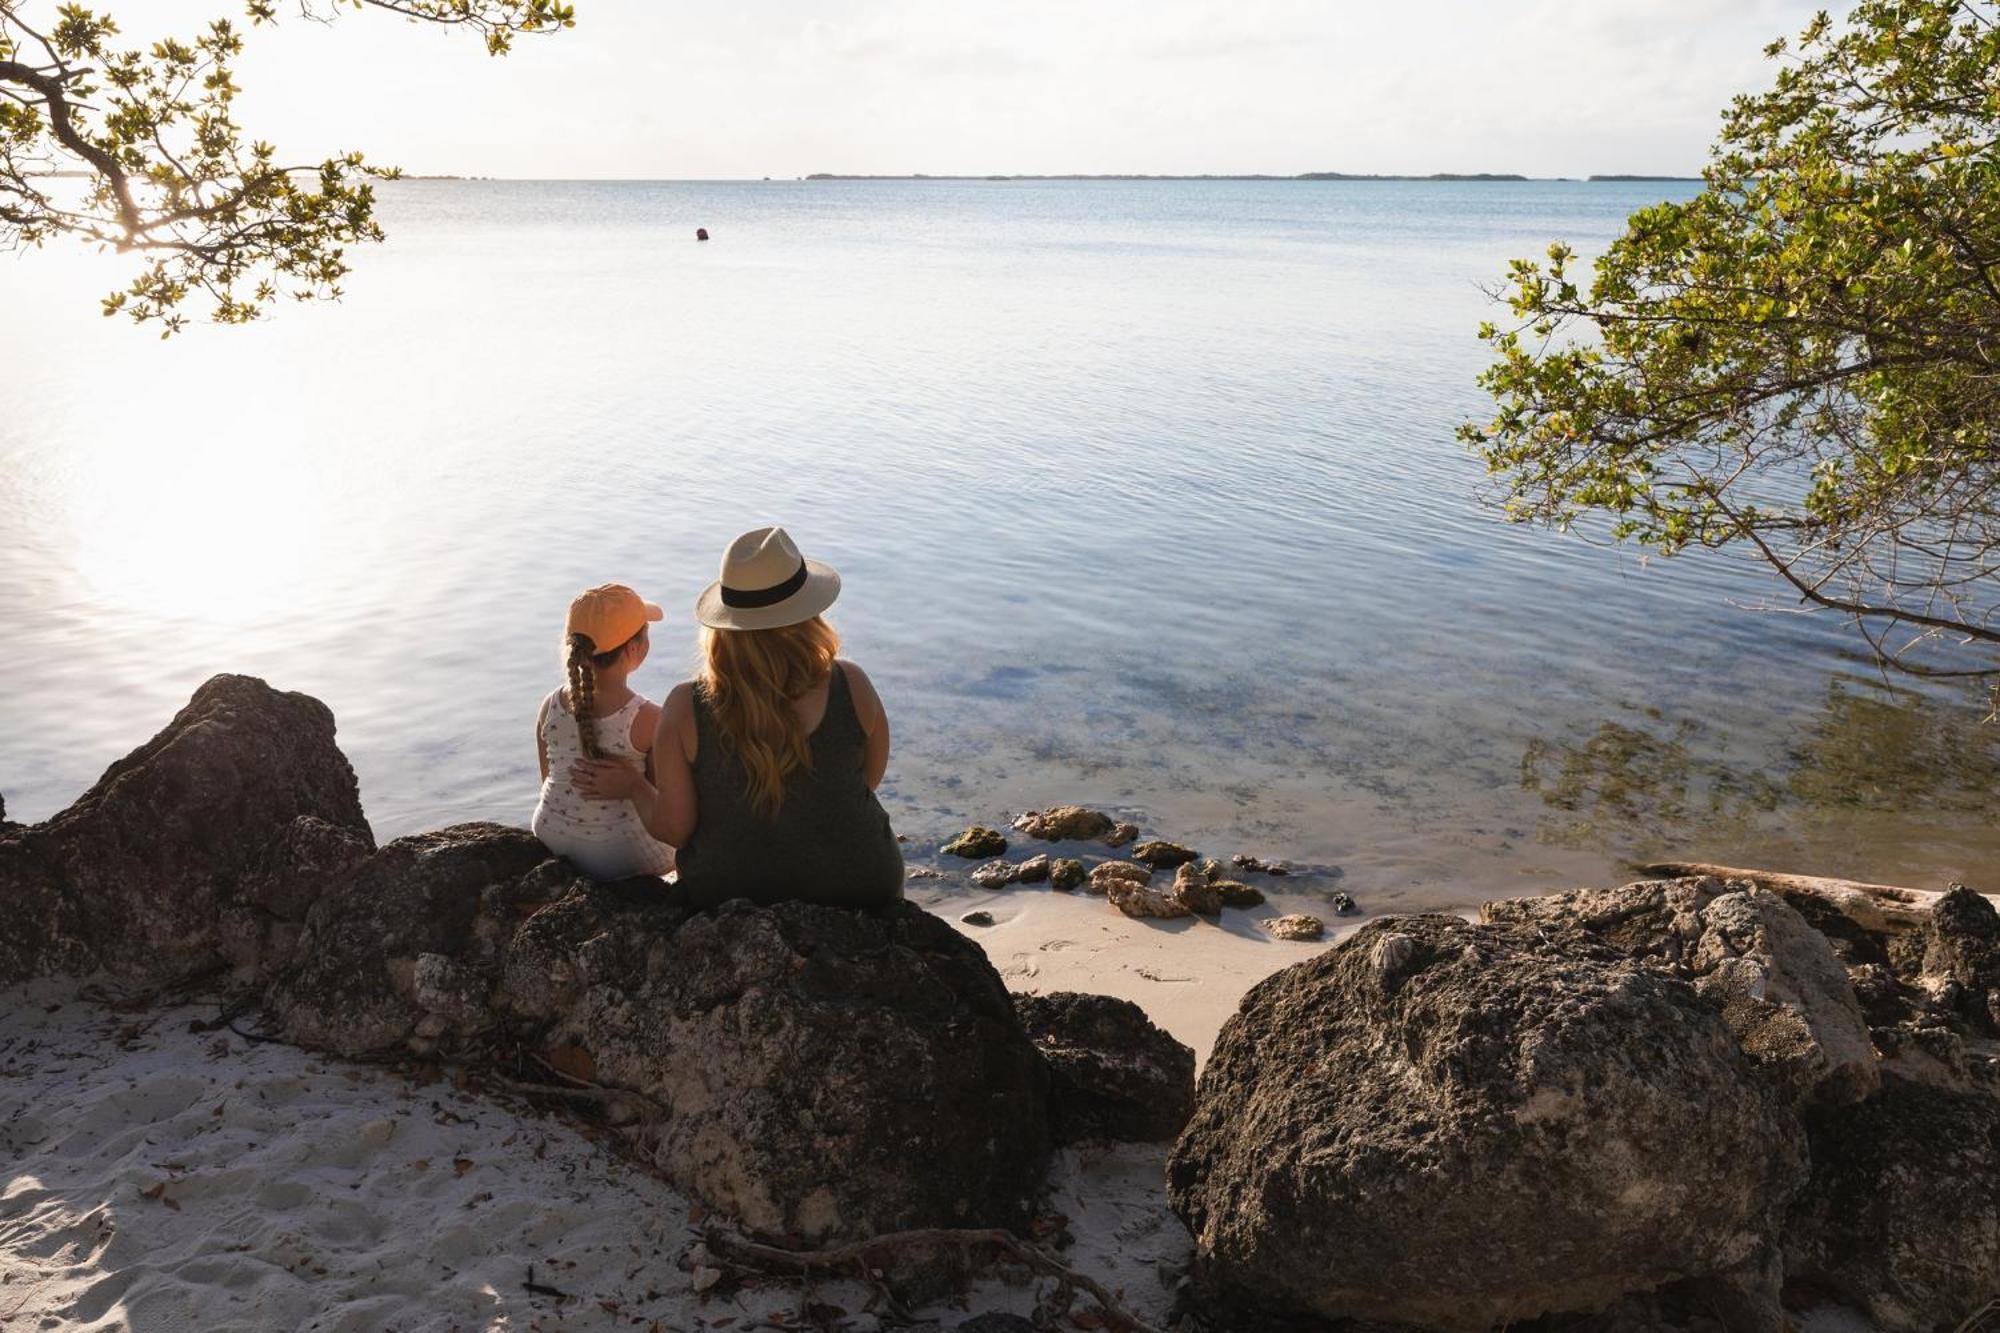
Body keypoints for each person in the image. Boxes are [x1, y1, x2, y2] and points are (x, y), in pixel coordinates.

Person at [572, 527, 903, 908]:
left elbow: (675, 830)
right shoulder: (853, 683)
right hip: (863, 888)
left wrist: (633, 785)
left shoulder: (685, 706)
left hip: (730, 896)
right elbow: (865, 781)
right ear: (810, 614)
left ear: (724, 623)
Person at [530, 583, 677, 880]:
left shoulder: (551, 704)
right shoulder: (648, 718)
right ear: (635, 649)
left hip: (549, 833)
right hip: (617, 855)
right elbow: (663, 812)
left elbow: (548, 779)